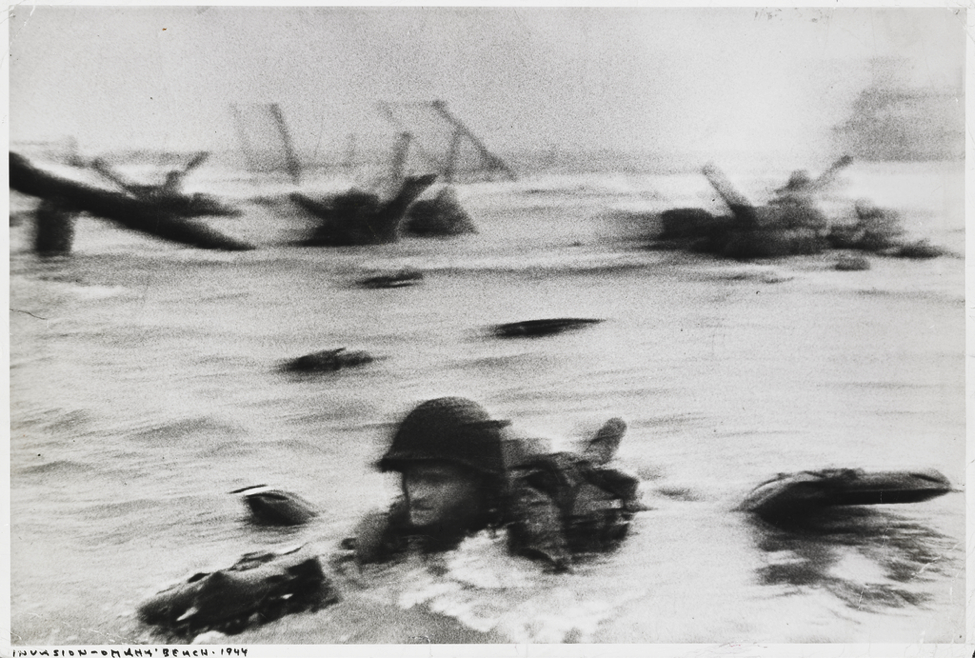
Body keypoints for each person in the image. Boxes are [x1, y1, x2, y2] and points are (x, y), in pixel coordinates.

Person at [344, 397, 641, 573]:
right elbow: (347, 563)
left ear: (479, 480)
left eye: (436, 480)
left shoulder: (529, 508)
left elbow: (552, 590)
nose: (417, 493)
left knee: (591, 466)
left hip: (577, 497)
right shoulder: (408, 510)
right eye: (411, 477)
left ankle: (609, 436)